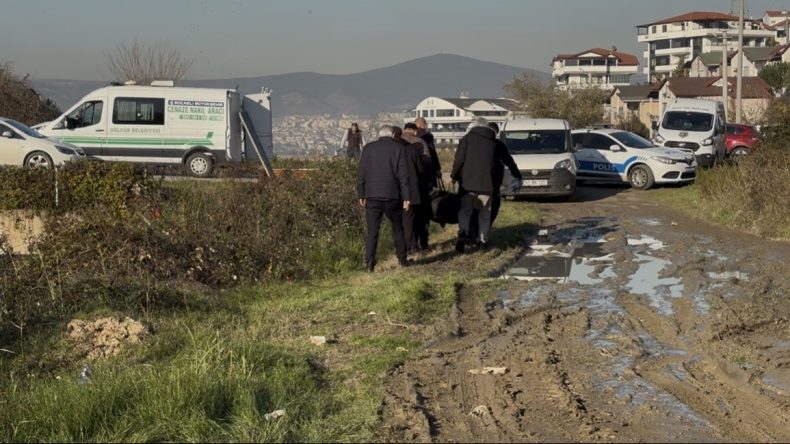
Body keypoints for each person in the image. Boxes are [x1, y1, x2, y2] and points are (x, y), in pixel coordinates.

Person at [451, 117, 522, 253]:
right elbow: (509, 161)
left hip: (468, 185)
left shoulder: (466, 139)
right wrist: (517, 175)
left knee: (465, 211)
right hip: (488, 185)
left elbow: (459, 160)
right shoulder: (494, 143)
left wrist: (454, 176)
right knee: (485, 214)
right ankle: (483, 241)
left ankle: (463, 234)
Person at [357, 125, 411, 272]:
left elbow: (361, 173)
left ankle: (369, 263)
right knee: (397, 228)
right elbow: (404, 176)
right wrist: (407, 197)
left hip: (372, 195)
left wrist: (361, 194)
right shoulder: (399, 149)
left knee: (372, 231)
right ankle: (402, 259)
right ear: (393, 135)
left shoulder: (368, 148)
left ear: (379, 134)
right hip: (392, 195)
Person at [401, 123, 434, 251]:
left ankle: (411, 244)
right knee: (422, 216)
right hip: (419, 186)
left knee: (407, 218)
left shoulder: (398, 142)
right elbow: (427, 164)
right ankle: (423, 243)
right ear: (415, 131)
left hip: (402, 187)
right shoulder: (420, 142)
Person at [414, 117, 441, 186]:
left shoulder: (413, 136)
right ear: (423, 125)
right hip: (428, 167)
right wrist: (437, 169)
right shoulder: (428, 135)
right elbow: (432, 152)